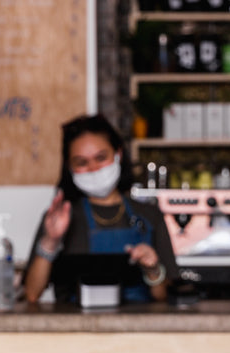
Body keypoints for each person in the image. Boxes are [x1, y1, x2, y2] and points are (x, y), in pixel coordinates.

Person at [24, 113, 177, 304]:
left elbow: (164, 298)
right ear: (70, 168)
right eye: (81, 162)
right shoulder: (59, 218)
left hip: (138, 329)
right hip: (76, 329)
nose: (93, 168)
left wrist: (152, 269)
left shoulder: (150, 215)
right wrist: (50, 241)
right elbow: (31, 294)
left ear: (118, 155)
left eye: (101, 157)